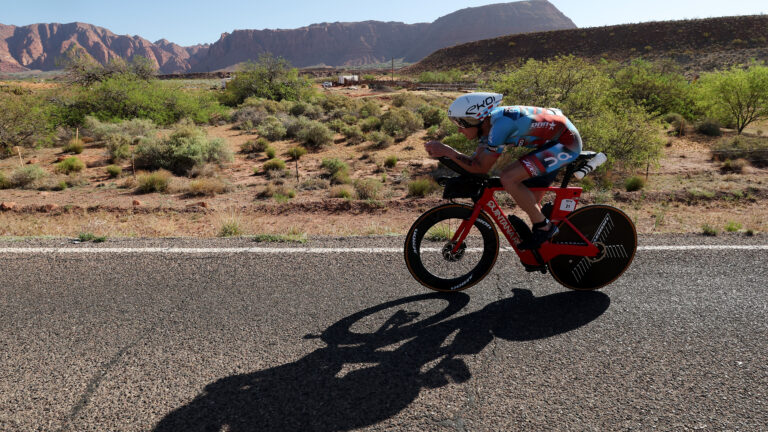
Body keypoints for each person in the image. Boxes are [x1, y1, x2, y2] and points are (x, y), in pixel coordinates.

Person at [424, 92, 582, 250]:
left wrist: (449, 152)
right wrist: (448, 155)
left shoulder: (500, 126)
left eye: (461, 123)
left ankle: (545, 228)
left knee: (508, 178)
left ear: (477, 119)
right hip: (552, 140)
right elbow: (475, 164)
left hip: (566, 142)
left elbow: (481, 168)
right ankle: (546, 245)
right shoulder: (488, 126)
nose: (459, 130)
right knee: (529, 200)